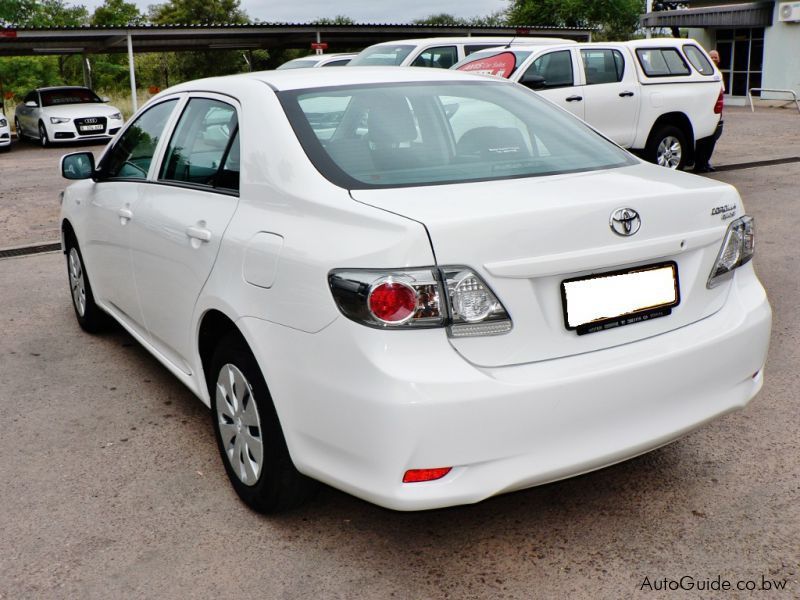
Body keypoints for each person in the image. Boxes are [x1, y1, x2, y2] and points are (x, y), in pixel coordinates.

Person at [694, 50, 724, 173]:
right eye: (711, 57)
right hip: (705, 112)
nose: (714, 59)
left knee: (712, 139)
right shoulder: (702, 73)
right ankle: (699, 164)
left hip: (716, 111)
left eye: (716, 57)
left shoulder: (718, 74)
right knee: (703, 139)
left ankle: (705, 162)